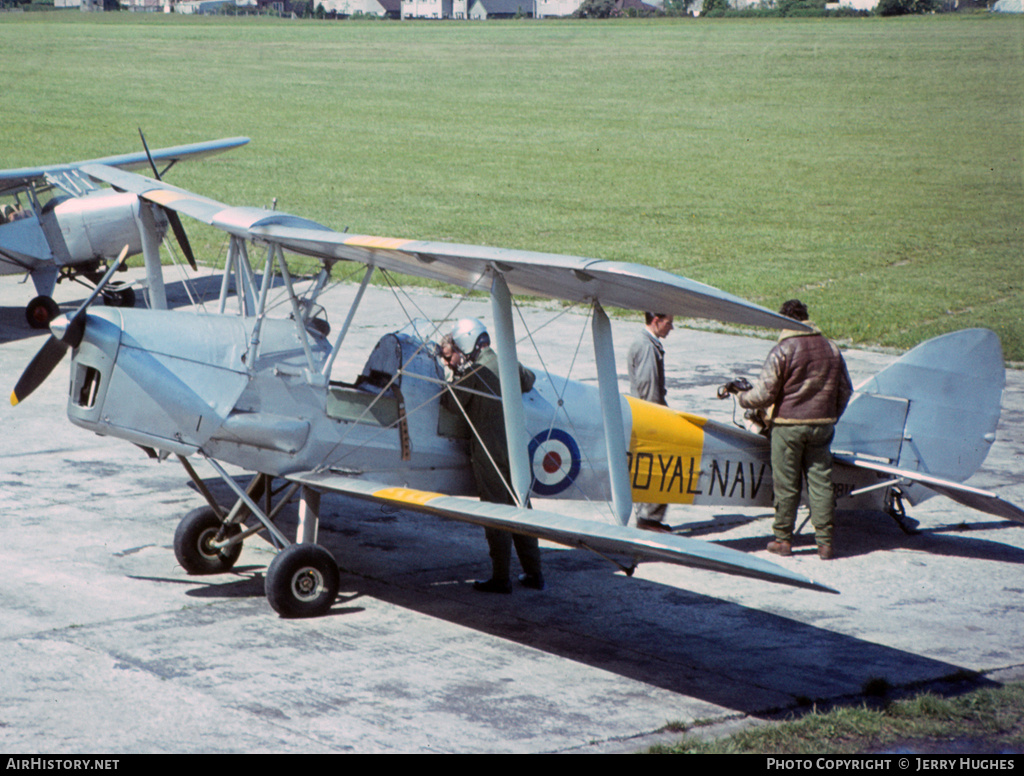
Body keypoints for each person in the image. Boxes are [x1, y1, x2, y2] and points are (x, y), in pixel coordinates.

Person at [725, 299, 853, 560]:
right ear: (806, 318)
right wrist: (831, 417)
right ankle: (825, 542)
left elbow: (764, 393)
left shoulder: (782, 350)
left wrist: (741, 398)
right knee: (821, 483)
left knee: (786, 485)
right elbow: (845, 390)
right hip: (822, 427)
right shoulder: (831, 347)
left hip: (787, 427)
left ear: (783, 320)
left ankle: (783, 539)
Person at [442, 318, 544, 593]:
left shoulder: (474, 373)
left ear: (466, 343)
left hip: (490, 451)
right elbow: (528, 379)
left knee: (495, 512)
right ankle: (534, 572)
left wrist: (451, 373)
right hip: (516, 450)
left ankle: (501, 577)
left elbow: (450, 404)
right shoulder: (508, 364)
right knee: (522, 507)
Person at [626, 312, 674, 532]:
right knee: (660, 466)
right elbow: (649, 388)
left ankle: (647, 517)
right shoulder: (647, 347)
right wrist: (658, 420)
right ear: (656, 321)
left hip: (641, 414)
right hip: (650, 417)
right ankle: (649, 519)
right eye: (668, 323)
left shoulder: (644, 342)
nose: (671, 328)